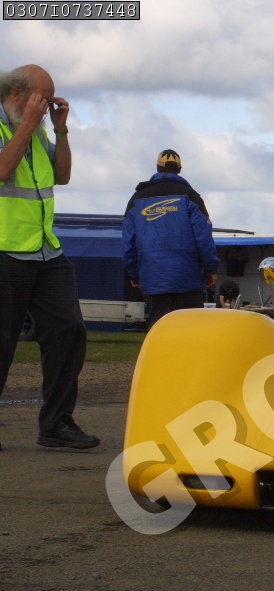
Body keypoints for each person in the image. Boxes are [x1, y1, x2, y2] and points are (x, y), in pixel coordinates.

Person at [0, 65, 99, 450]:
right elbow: (2, 169)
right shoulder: (14, 128)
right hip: (5, 250)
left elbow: (62, 176)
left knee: (68, 332)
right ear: (17, 94)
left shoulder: (39, 132)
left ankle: (57, 424)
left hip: (45, 251)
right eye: (42, 99)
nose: (46, 107)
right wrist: (28, 124)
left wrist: (60, 129)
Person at [122, 149, 219, 329]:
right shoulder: (192, 196)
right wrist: (210, 269)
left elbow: (129, 244)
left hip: (154, 277)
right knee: (191, 329)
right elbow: (204, 238)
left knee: (159, 328)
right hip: (188, 278)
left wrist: (134, 273)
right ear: (179, 169)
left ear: (157, 168)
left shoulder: (137, 199)